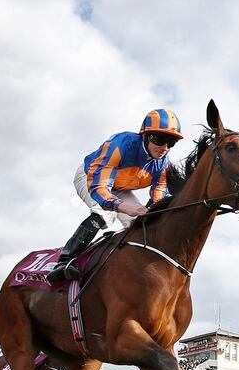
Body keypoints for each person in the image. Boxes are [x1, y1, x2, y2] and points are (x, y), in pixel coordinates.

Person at [46, 108, 184, 283]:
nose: (164, 148)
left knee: (139, 224)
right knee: (105, 213)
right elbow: (99, 188)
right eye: (159, 139)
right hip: (91, 177)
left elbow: (158, 199)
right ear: (145, 135)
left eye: (171, 142)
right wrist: (123, 207)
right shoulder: (120, 145)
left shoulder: (163, 166)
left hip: (119, 187)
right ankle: (63, 262)